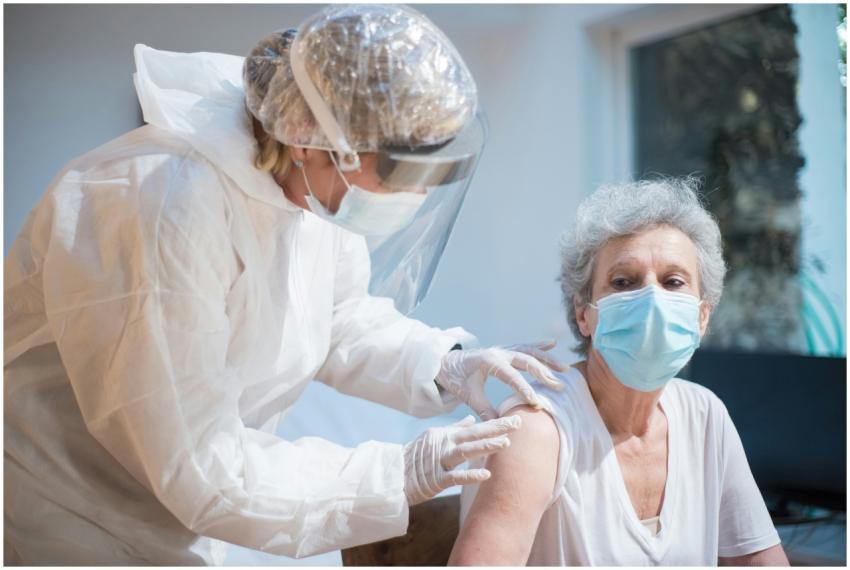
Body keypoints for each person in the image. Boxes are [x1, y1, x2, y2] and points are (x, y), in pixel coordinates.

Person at [4, 5, 568, 565]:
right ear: (307, 138)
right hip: (65, 521)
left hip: (164, 522)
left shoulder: (308, 193)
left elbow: (337, 318)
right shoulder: (157, 206)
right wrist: (396, 473)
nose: (416, 196)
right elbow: (203, 466)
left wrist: (444, 364)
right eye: (401, 170)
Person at [449, 178, 790, 566]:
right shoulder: (538, 430)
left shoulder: (705, 416)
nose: (652, 299)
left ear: (702, 316)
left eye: (673, 282)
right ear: (584, 314)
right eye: (623, 282)